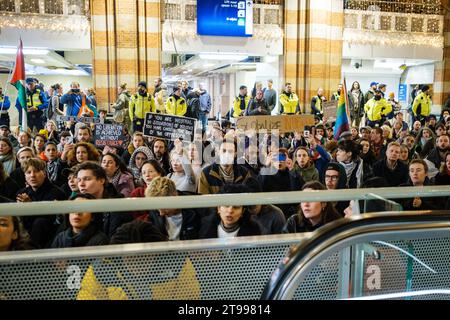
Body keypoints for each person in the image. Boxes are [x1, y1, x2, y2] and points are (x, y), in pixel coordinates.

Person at [76, 219, 201, 300]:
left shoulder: (178, 264)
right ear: (119, 255)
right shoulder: (101, 269)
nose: (138, 264)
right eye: (131, 258)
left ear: (158, 253)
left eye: (145, 257)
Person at [16, 158, 66, 248]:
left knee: (40, 222)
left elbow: (51, 220)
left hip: (49, 238)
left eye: (36, 171)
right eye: (28, 172)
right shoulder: (21, 193)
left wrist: (30, 206)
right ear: (25, 176)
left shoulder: (56, 192)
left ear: (44, 173)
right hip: (24, 235)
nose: (32, 175)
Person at [76, 161, 133, 237]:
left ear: (102, 180)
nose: (81, 184)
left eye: (87, 179)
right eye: (79, 180)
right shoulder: (76, 204)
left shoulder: (118, 207)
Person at [199, 184, 263, 239]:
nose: (230, 211)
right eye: (226, 205)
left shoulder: (253, 230)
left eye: (236, 207)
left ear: (242, 212)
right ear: (218, 208)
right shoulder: (206, 226)